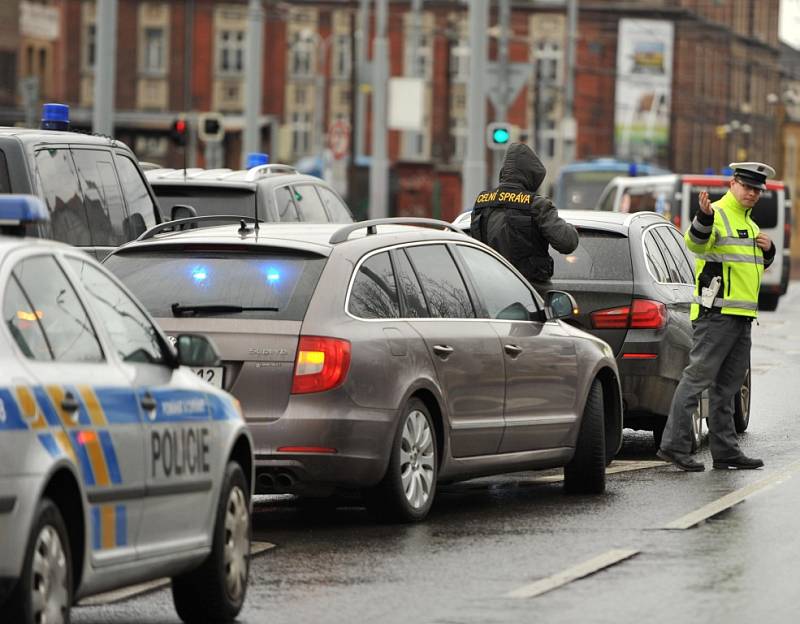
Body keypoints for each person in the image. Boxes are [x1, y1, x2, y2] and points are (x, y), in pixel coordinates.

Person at [658, 162, 777, 472]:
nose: (753, 193)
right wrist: (704, 218)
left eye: (757, 190)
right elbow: (695, 244)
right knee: (697, 380)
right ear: (733, 183)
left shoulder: (750, 225)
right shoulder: (718, 212)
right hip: (717, 315)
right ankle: (675, 446)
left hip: (741, 317)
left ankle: (725, 451)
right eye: (748, 187)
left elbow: (748, 269)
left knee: (728, 386)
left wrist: (770, 252)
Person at [470, 143, 578, 292]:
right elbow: (567, 242)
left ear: (504, 172)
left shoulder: (482, 203)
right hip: (531, 295)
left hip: (488, 293)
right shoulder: (537, 205)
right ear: (532, 175)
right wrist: (570, 229)